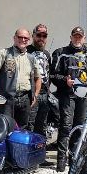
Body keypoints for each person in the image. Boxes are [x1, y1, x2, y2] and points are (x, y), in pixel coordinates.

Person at [50, 26, 87, 172]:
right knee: (66, 126)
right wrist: (65, 81)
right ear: (71, 37)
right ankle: (61, 162)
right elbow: (53, 75)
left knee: (79, 127)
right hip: (67, 95)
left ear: (84, 38)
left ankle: (74, 158)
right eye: (75, 36)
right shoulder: (60, 53)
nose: (77, 39)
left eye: (80, 36)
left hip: (83, 96)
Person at [0, 28, 42, 130]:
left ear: (29, 40)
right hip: (7, 99)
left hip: (25, 99)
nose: (23, 40)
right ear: (14, 38)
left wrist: (35, 95)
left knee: (22, 129)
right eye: (20, 37)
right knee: (6, 128)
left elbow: (38, 78)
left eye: (26, 38)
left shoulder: (31, 58)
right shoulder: (3, 53)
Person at [28, 24, 53, 164]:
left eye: (44, 35)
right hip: (32, 93)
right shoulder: (27, 51)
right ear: (33, 36)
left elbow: (49, 74)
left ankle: (40, 157)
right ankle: (28, 157)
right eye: (39, 35)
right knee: (30, 125)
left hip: (45, 93)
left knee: (42, 125)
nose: (41, 38)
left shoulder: (47, 54)